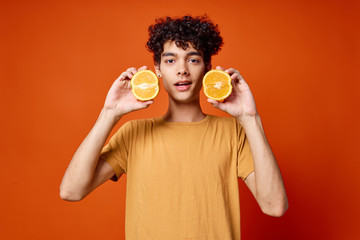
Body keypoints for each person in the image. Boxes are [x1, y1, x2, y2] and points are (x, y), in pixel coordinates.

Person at [60, 15, 288, 239]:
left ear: (208, 67)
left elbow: (274, 206)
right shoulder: (134, 133)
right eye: (170, 60)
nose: (182, 70)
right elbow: (71, 191)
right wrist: (109, 113)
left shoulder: (233, 133)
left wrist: (250, 118)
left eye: (193, 59)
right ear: (157, 68)